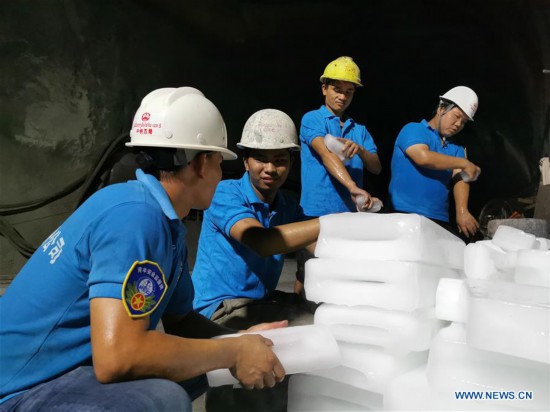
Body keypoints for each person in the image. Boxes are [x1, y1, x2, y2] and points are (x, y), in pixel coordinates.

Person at [0, 87, 288, 412]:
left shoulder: (164, 222)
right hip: (18, 391)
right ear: (202, 164)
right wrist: (233, 353)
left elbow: (182, 323)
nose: (222, 173)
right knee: (162, 400)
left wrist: (241, 341)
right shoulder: (136, 217)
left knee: (202, 366)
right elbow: (120, 357)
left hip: (64, 374)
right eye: (221, 162)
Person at [192, 108, 319, 330]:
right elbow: (262, 241)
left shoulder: (288, 206)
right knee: (312, 328)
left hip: (256, 304)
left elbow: (318, 245)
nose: (270, 169)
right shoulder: (224, 194)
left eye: (279, 160)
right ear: (246, 162)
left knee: (322, 313)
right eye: (261, 159)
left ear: (291, 162)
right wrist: (333, 223)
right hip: (217, 312)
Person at [296, 56, 382, 288]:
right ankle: (298, 314)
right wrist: (353, 187)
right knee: (309, 271)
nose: (342, 96)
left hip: (348, 216)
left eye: (349, 91)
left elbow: (376, 167)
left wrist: (361, 151)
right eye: (337, 89)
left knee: (337, 276)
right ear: (324, 88)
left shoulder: (360, 130)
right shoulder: (312, 119)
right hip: (316, 212)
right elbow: (327, 154)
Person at [388, 86, 481, 237]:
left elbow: (461, 177)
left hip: (439, 220)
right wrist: (464, 163)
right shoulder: (414, 129)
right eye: (456, 116)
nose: (458, 124)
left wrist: (462, 211)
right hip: (403, 214)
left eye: (463, 122)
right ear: (441, 109)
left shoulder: (456, 148)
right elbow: (423, 157)